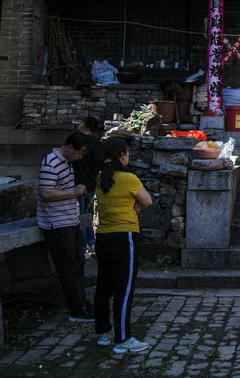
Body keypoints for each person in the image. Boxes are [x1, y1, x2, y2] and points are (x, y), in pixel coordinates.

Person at [93, 137, 153, 354]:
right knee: (124, 288)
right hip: (124, 236)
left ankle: (103, 331)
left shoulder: (101, 179)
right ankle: (123, 338)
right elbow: (147, 201)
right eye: (126, 153)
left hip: (103, 236)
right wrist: (135, 204)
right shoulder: (128, 179)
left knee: (103, 285)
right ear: (122, 156)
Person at [37, 131, 94, 321]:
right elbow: (46, 192)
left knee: (78, 263)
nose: (80, 157)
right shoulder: (50, 163)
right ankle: (77, 309)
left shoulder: (66, 164)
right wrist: (72, 192)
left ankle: (82, 302)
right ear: (70, 147)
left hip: (70, 220)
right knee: (68, 267)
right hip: (57, 224)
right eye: (79, 153)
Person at [72, 116, 103, 257]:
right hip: (91, 184)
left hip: (78, 184)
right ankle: (93, 243)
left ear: (83, 124)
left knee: (79, 217)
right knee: (86, 215)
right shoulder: (98, 144)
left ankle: (83, 247)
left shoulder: (77, 141)